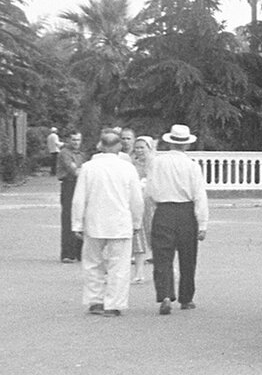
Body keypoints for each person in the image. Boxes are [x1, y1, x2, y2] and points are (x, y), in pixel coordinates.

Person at [71, 130, 143, 317]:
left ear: (101, 146)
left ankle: (95, 301)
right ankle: (114, 304)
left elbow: (79, 198)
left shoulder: (88, 167)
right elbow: (136, 199)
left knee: (93, 263)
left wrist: (77, 223)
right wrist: (137, 222)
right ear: (119, 146)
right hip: (120, 222)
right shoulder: (127, 168)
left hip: (94, 221)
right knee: (119, 266)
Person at [145, 124, 208, 315]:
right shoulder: (191, 166)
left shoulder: (156, 163)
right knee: (187, 257)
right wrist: (202, 223)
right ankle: (186, 298)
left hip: (163, 210)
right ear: (186, 145)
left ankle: (165, 294)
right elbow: (199, 195)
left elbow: (149, 191)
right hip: (186, 212)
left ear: (169, 142)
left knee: (162, 257)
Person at [130, 135, 157, 284]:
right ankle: (139, 273)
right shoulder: (132, 164)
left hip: (152, 203)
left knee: (155, 235)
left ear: (149, 148)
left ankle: (167, 268)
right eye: (137, 147)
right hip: (137, 204)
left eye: (142, 147)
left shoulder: (155, 164)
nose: (139, 150)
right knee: (138, 237)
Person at [57, 131, 85, 263]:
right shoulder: (64, 153)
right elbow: (74, 171)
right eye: (73, 139)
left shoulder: (82, 154)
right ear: (68, 140)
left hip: (80, 185)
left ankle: (79, 252)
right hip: (69, 185)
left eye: (78, 140)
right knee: (68, 218)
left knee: (81, 217)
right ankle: (68, 253)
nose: (76, 142)